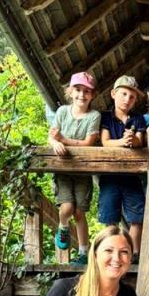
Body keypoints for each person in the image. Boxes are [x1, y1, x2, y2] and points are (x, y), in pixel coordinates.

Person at [48, 70, 101, 263]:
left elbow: (88, 142)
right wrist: (55, 143)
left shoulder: (93, 116)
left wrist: (63, 139)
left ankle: (83, 253)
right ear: (70, 91)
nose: (81, 95)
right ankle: (62, 226)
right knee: (68, 207)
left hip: (82, 171)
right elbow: (51, 135)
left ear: (92, 95)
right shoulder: (62, 112)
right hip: (62, 169)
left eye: (86, 91)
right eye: (78, 90)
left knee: (79, 212)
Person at [100, 75, 147, 261]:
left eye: (132, 96)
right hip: (109, 176)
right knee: (110, 217)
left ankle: (133, 254)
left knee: (137, 217)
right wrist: (121, 141)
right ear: (113, 94)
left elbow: (140, 142)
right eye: (124, 94)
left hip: (131, 176)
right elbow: (105, 142)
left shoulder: (138, 119)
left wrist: (133, 140)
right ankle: (110, 252)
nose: (127, 99)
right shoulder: (106, 117)